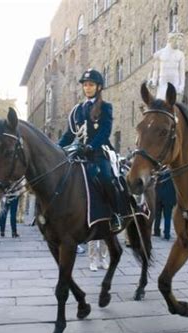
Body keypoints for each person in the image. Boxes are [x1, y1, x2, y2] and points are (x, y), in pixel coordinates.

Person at [58, 68, 122, 232]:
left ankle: (115, 213)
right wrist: (57, 148)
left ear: (98, 87)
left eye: (91, 85)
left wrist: (91, 146)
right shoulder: (77, 109)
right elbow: (69, 134)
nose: (87, 88)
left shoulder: (105, 107)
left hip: (99, 151)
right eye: (85, 85)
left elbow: (105, 132)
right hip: (79, 153)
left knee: (106, 178)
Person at [149, 33, 185, 99]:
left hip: (175, 84)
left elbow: (182, 72)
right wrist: (153, 81)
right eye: (177, 40)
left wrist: (181, 86)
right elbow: (155, 70)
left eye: (179, 41)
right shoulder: (159, 54)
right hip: (162, 83)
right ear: (170, 40)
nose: (178, 43)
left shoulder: (180, 54)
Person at [153, 171, 176, 240]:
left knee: (157, 216)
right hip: (169, 199)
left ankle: (156, 232)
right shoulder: (173, 174)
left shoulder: (160, 174)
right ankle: (167, 234)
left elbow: (156, 186)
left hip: (159, 198)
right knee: (167, 217)